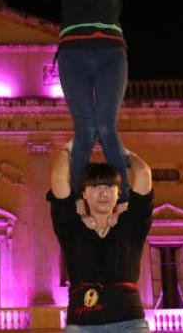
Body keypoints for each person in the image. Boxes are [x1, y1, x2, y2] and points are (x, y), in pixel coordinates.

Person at [43, 0, 133, 197]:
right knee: (84, 127)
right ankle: (77, 198)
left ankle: (125, 197)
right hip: (73, 54)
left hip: (110, 54)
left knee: (106, 126)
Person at [48, 142, 153, 333]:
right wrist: (71, 146)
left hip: (129, 323)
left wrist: (124, 152)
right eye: (95, 185)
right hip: (81, 325)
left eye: (110, 185)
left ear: (119, 193)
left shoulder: (131, 226)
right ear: (84, 193)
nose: (103, 192)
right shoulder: (72, 228)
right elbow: (57, 177)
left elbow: (144, 174)